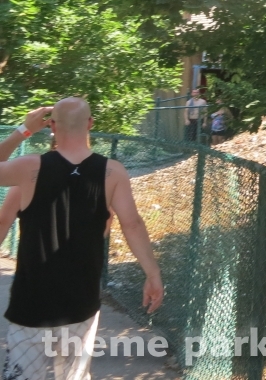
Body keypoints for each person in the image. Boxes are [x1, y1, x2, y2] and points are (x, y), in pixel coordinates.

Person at [0, 99, 163, 380]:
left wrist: (23, 130)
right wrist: (153, 274)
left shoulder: (29, 168)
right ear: (90, 124)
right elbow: (132, 224)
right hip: (81, 305)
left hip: (31, 304)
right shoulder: (112, 172)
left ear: (51, 126)